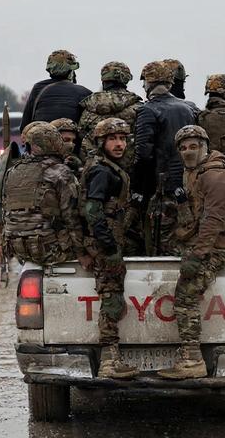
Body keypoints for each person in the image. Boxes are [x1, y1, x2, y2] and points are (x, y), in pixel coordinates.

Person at [158, 125, 225, 379]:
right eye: (183, 148)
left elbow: (213, 220)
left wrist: (197, 255)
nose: (188, 151)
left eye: (194, 146)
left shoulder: (214, 175)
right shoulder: (194, 172)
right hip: (202, 240)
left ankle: (192, 360)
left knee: (185, 296)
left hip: (216, 245)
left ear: (205, 147)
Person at [80, 118, 138, 378]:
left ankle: (111, 360)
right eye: (113, 139)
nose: (119, 144)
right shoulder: (102, 171)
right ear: (101, 142)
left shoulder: (110, 168)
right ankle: (109, 361)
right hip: (105, 248)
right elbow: (93, 211)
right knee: (112, 301)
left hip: (110, 243)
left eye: (123, 139)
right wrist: (108, 246)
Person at [1, 122, 91, 269]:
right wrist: (81, 253)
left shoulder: (12, 172)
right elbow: (71, 217)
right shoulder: (60, 172)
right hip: (50, 250)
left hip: (18, 249)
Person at [132, 60, 198, 256]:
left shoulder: (148, 110)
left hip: (161, 188)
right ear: (170, 84)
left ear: (147, 84)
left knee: (160, 243)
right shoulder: (189, 108)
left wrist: (138, 188)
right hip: (187, 184)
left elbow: (143, 154)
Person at [78, 61, 143, 168]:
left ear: (104, 81)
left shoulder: (88, 109)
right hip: (130, 169)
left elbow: (81, 136)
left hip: (94, 167)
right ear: (125, 80)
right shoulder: (138, 108)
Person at [19, 49, 92, 133]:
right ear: (70, 71)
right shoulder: (84, 92)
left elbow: (24, 127)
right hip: (72, 143)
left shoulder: (38, 89)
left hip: (41, 142)